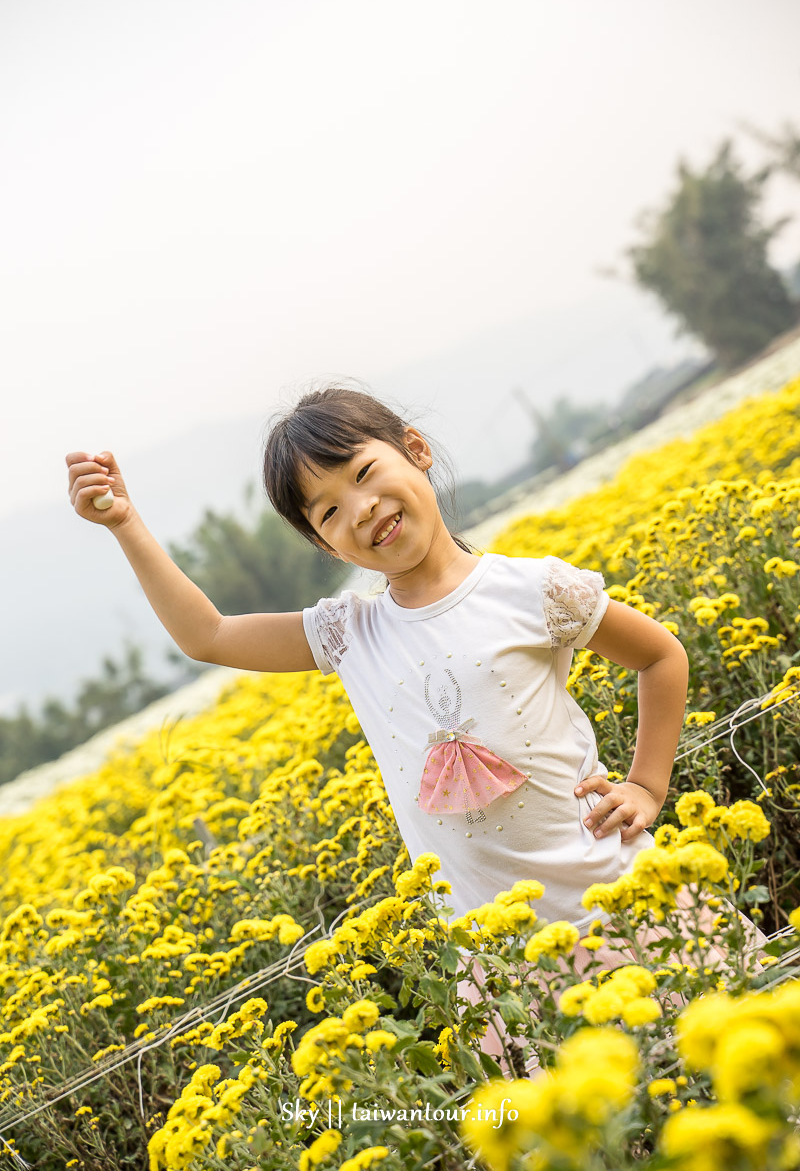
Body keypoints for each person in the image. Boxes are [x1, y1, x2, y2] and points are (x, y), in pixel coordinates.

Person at [66, 385, 769, 1077]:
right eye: (331, 511)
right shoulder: (350, 634)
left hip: (624, 903)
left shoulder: (531, 590)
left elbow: (660, 654)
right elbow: (208, 634)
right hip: (509, 967)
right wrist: (125, 524)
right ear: (324, 543)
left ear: (417, 450)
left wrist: (647, 785)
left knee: (745, 1076)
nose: (362, 508)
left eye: (365, 473)